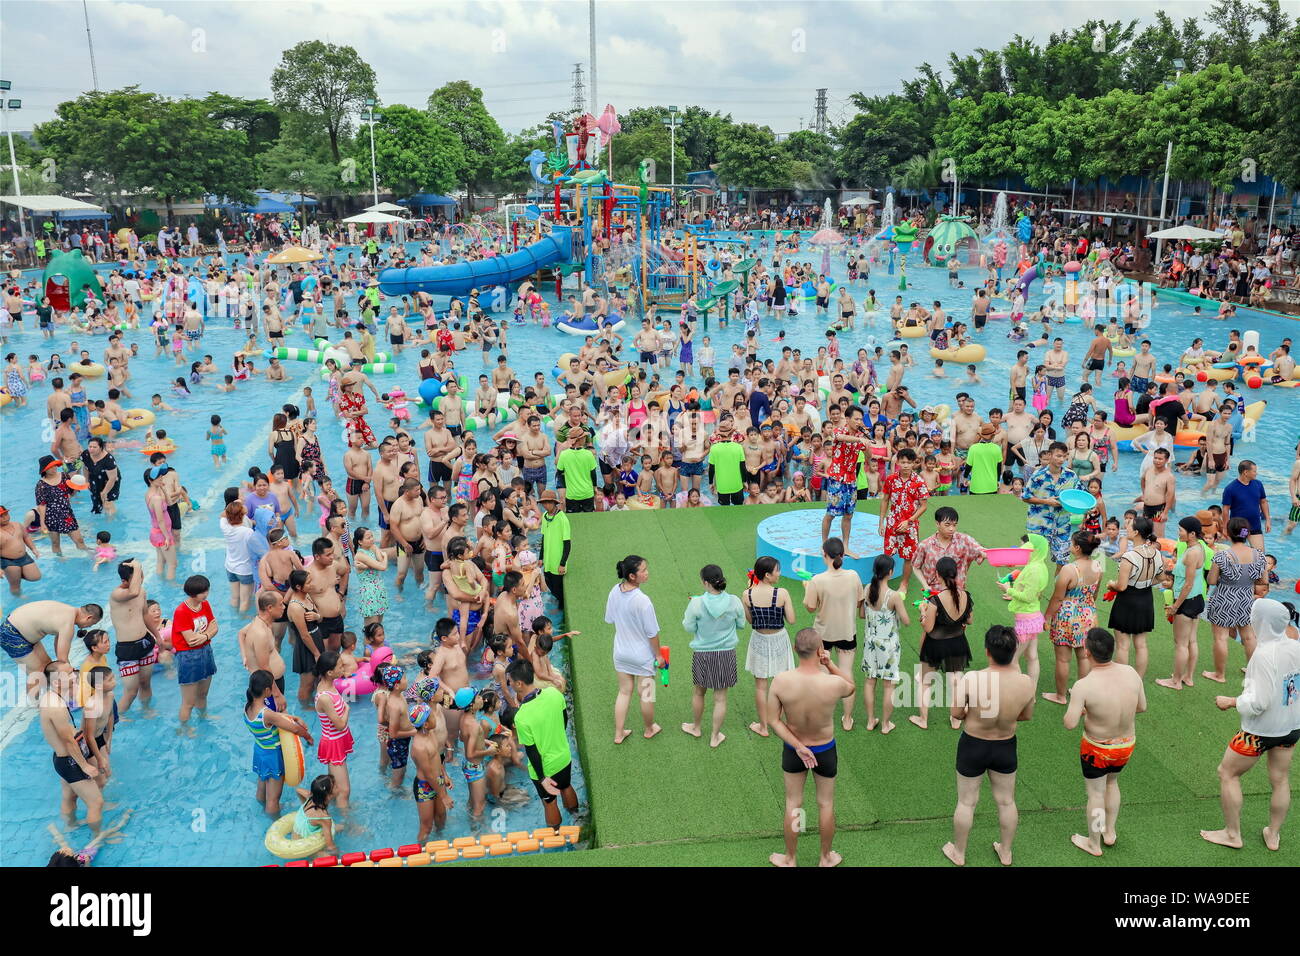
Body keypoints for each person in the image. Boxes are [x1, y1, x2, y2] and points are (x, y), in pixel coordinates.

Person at [1200, 599, 1300, 851]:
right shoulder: (1295, 647)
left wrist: (1231, 701)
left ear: (1261, 622)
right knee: (1280, 779)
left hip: (1259, 731)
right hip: (1290, 727)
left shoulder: (1263, 655)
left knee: (1228, 773)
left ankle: (1232, 834)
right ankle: (1273, 834)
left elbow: (1259, 703)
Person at [943, 625, 1036, 867]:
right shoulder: (1025, 682)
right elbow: (1026, 716)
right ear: (1013, 651)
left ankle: (959, 853)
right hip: (1005, 745)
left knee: (966, 802)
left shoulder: (972, 678)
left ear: (987, 651)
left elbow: (955, 712)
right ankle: (1005, 852)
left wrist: (972, 713)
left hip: (973, 744)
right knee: (1006, 801)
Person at [768, 628, 855, 867]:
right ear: (820, 651)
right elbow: (850, 686)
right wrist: (830, 664)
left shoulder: (781, 681)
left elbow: (773, 721)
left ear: (795, 650)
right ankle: (825, 858)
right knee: (825, 804)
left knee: (793, 804)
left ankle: (790, 858)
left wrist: (797, 746)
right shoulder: (832, 683)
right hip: (824, 749)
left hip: (794, 750)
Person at [1064, 627, 1147, 857]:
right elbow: (1142, 707)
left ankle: (1094, 842)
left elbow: (1070, 723)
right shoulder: (1131, 672)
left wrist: (1080, 706)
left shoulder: (1084, 685)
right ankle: (1109, 832)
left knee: (1096, 794)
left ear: (1088, 653)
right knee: (1112, 784)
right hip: (1126, 745)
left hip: (1097, 748)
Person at [509, 657, 581, 829]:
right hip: (563, 755)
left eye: (510, 681)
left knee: (549, 803)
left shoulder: (521, 716)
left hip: (545, 767)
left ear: (519, 684)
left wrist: (542, 778)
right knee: (566, 785)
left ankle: (555, 834)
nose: (509, 684)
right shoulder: (554, 693)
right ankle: (577, 817)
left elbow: (532, 752)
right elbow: (564, 722)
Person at [802, 537, 863, 731]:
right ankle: (847, 719)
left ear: (824, 555)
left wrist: (807, 589)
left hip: (823, 634)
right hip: (847, 632)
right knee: (846, 674)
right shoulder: (853, 575)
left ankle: (821, 718)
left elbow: (810, 607)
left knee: (822, 675)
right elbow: (860, 600)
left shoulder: (817, 580)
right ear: (843, 555)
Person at [681, 564, 746, 748]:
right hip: (726, 654)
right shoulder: (734, 601)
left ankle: (696, 727)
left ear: (705, 583)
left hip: (702, 654)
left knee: (698, 692)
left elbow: (689, 627)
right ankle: (715, 736)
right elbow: (741, 625)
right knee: (720, 699)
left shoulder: (696, 603)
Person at [606, 554, 663, 744]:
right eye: (643, 570)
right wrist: (659, 655)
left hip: (621, 653)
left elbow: (611, 618)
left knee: (624, 691)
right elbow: (652, 634)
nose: (647, 573)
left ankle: (618, 733)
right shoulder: (643, 601)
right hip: (643, 656)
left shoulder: (614, 591)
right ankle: (649, 728)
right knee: (646, 693)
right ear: (632, 576)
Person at [912, 556, 973, 731]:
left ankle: (923, 719)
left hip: (935, 645)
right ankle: (956, 720)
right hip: (958, 643)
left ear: (937, 575)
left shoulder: (935, 601)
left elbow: (929, 627)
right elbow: (969, 620)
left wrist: (923, 612)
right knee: (956, 683)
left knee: (924, 682)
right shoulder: (965, 596)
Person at [1204, 517, 1267, 684]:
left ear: (1229, 533)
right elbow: (1263, 580)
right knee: (1249, 637)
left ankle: (1219, 674)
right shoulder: (1259, 555)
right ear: (1246, 534)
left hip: (1225, 597)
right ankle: (1253, 673)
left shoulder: (1222, 556)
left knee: (1221, 637)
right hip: (1247, 598)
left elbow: (1211, 581)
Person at [243, 669, 314, 817]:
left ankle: (261, 810)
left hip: (260, 751)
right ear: (267, 690)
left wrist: (293, 717)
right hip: (273, 756)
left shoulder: (248, 708)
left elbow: (278, 718)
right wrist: (308, 737)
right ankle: (273, 822)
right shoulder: (266, 713)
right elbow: (294, 730)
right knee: (274, 799)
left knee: (262, 788)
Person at [1042, 531, 1101, 704]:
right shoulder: (1097, 565)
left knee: (1063, 659)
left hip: (1067, 617)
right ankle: (1080, 695)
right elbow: (1094, 594)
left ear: (1077, 548)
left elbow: (1058, 598)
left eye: (1071, 543)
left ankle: (1060, 696)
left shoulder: (1069, 569)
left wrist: (1047, 617)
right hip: (1088, 614)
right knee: (1083, 657)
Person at [742, 556, 796, 737]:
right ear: (767, 575)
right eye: (777, 570)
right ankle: (778, 720)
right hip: (779, 639)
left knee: (760, 686)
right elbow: (791, 619)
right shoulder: (782, 594)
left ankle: (763, 727)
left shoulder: (747, 594)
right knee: (781, 684)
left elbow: (750, 620)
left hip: (759, 640)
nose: (779, 573)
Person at [1156, 516, 1211, 691]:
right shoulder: (1198, 547)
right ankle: (1188, 677)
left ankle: (1176, 681)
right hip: (1196, 599)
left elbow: (1188, 583)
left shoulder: (1193, 552)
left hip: (1186, 600)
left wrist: (1175, 606)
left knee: (1181, 643)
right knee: (1191, 641)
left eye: (1181, 530)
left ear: (1192, 533)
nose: (1178, 533)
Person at [2, 600, 103, 693]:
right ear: (88, 617)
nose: (89, 626)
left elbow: (58, 646)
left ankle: (52, 694)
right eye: (92, 623)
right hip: (12, 635)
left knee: (48, 666)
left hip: (17, 627)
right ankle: (35, 704)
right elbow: (62, 660)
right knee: (38, 673)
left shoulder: (68, 610)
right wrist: (74, 676)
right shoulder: (67, 625)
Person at [860, 553, 910, 734]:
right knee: (889, 685)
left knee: (869, 682)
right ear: (890, 572)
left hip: (870, 642)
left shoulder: (867, 589)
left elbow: (862, 615)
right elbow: (906, 621)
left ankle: (870, 720)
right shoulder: (894, 596)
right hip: (889, 645)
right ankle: (886, 724)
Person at [1105, 516, 1159, 679]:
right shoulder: (1155, 552)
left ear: (1136, 532)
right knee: (1141, 644)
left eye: (1128, 527)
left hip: (1128, 600)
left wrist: (1111, 584)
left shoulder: (1129, 556)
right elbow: (1162, 578)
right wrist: (1146, 581)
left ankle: (1121, 682)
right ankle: (1138, 679)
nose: (1125, 529)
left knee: (1122, 645)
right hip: (1146, 598)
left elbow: (1121, 586)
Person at [172, 575, 218, 727]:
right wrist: (209, 634)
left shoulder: (204, 604)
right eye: (203, 592)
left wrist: (204, 636)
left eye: (207, 590)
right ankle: (184, 728)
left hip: (205, 651)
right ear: (192, 593)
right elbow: (191, 640)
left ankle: (203, 717)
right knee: (189, 702)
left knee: (203, 694)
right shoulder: (182, 611)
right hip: (188, 656)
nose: (206, 594)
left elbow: (215, 626)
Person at [1220, 459, 1269, 550]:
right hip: (1240, 528)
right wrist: (1225, 529)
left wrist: (1268, 520)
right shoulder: (1230, 489)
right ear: (1246, 472)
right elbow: (1225, 510)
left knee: (1260, 554)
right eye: (1254, 471)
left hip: (1255, 525)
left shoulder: (1258, 484)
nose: (1256, 473)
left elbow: (1263, 502)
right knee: (1240, 553)